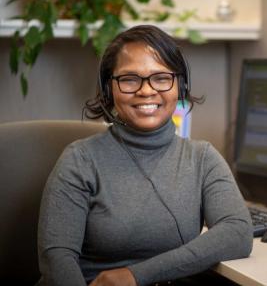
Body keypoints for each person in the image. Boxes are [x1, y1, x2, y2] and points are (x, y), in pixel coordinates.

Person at [37, 25, 253, 286]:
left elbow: (238, 233)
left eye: (161, 77)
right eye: (129, 79)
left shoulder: (202, 158)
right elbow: (56, 259)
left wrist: (135, 276)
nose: (147, 90)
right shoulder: (80, 160)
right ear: (109, 89)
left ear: (180, 85)